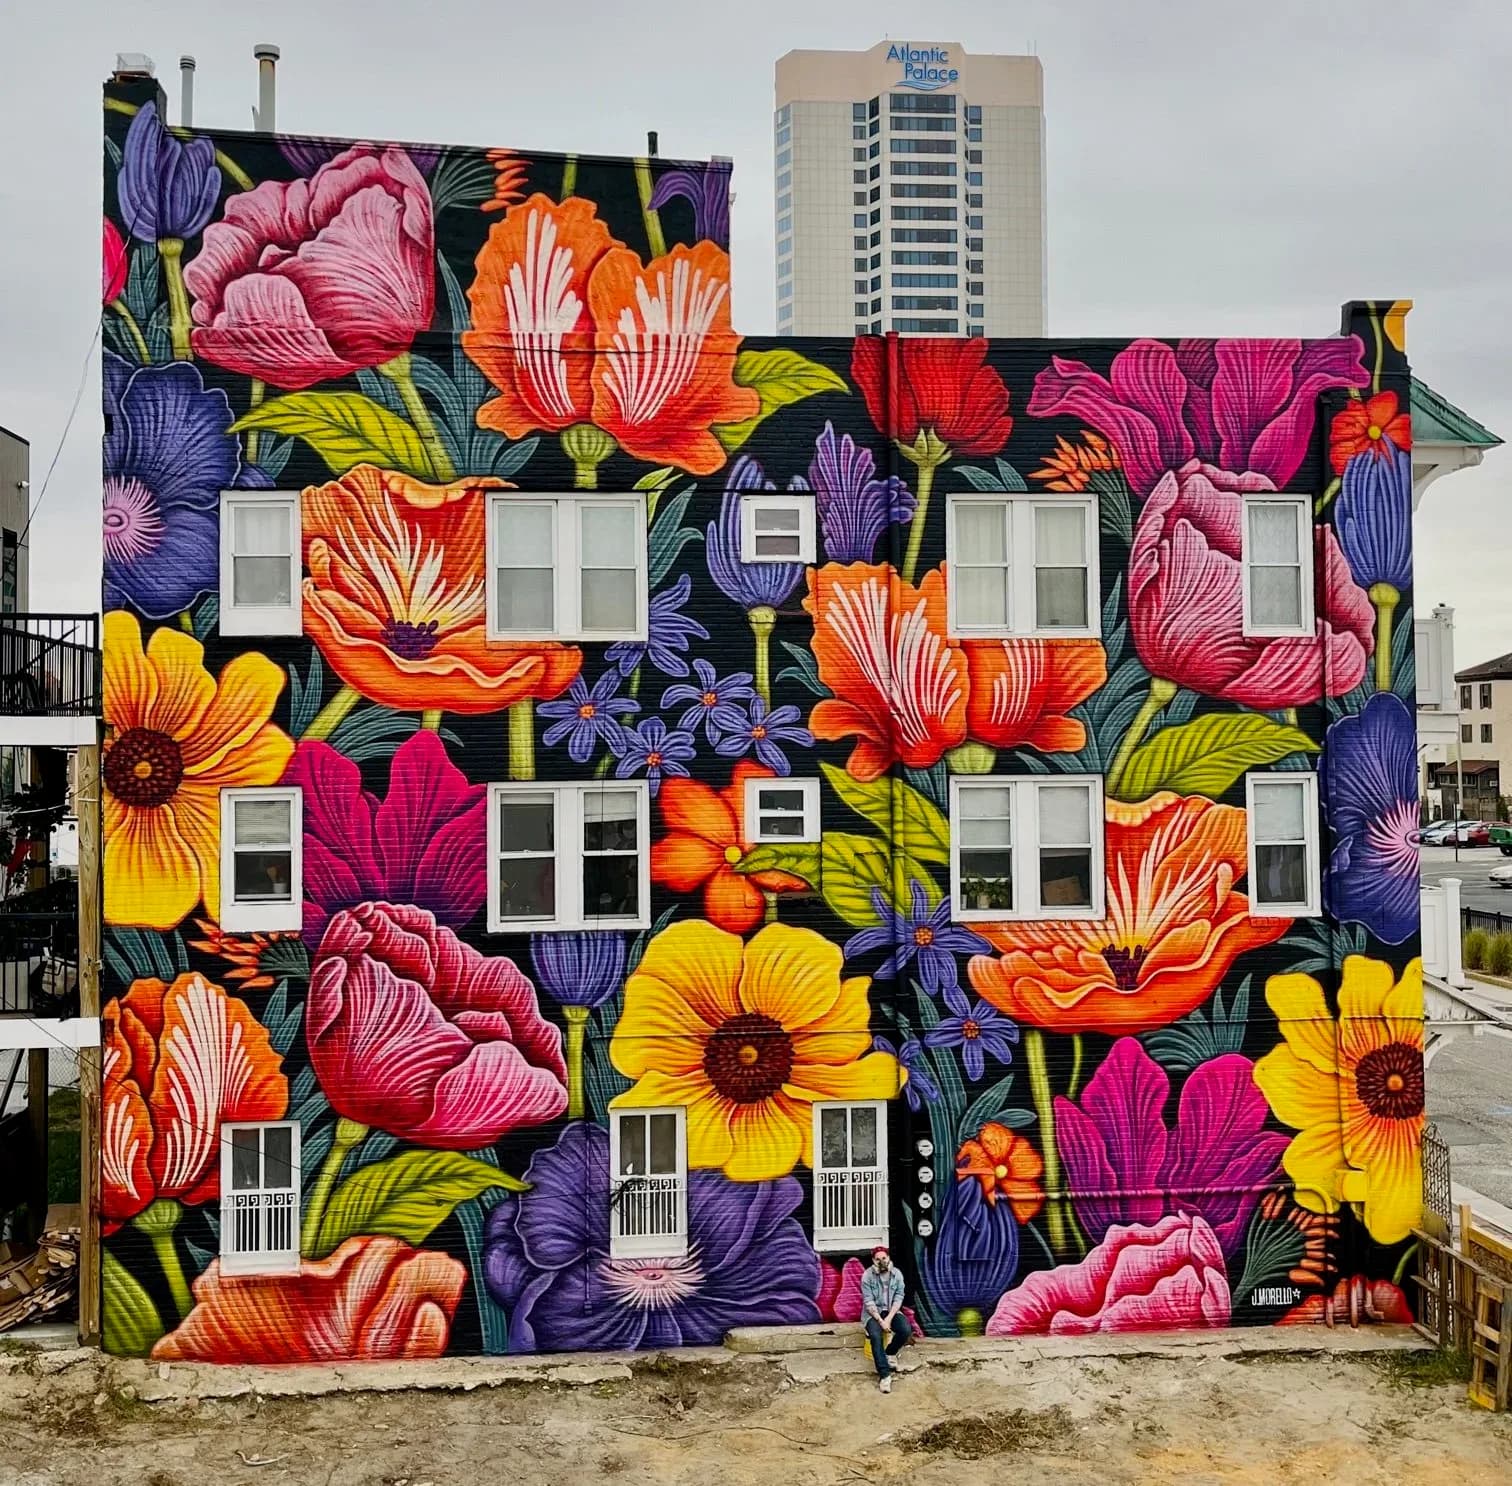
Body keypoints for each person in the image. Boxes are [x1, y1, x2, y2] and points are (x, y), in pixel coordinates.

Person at [859, 1245, 912, 1392]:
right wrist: (881, 1321)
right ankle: (884, 1375)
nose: (881, 1262)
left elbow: (899, 1297)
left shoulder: (897, 1275)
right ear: (873, 1261)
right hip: (873, 1314)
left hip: (890, 1311)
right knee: (875, 1336)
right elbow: (868, 1302)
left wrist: (889, 1319)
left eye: (884, 1258)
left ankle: (890, 1353)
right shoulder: (867, 1276)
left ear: (888, 1258)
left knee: (905, 1330)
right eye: (878, 1259)